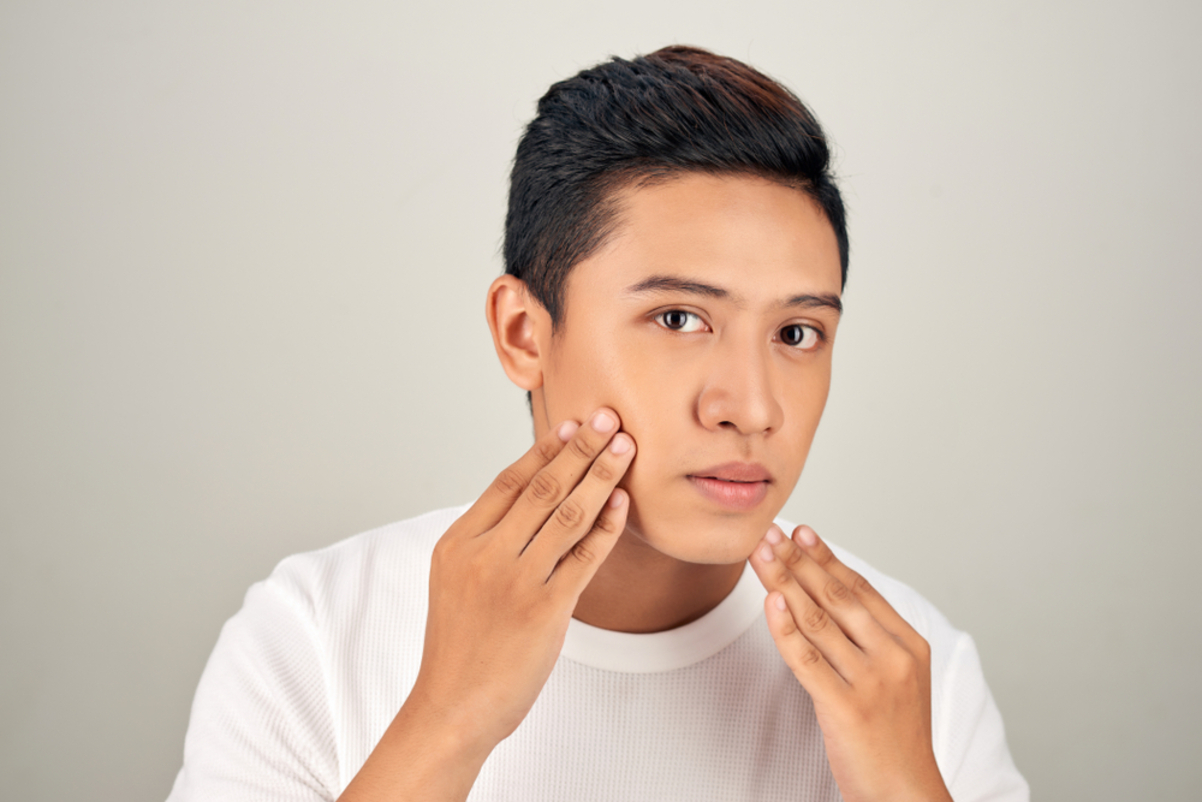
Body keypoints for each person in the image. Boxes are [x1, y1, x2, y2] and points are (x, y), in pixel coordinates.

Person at [167, 46, 1028, 802]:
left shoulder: (915, 675)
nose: (753, 408)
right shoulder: (316, 633)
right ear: (523, 334)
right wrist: (447, 719)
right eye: (680, 319)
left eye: (797, 334)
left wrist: (905, 789)